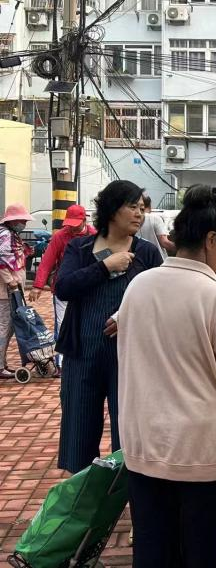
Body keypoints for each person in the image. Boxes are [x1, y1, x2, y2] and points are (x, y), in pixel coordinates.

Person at [117, 185, 216, 568]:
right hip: (198, 448)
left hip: (144, 442)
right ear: (211, 239)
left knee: (152, 547)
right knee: (200, 550)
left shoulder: (138, 287)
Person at [54, 181, 163, 474]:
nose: (140, 213)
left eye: (142, 208)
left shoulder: (148, 253)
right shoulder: (81, 248)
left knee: (127, 431)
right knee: (79, 428)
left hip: (128, 357)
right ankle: (82, 503)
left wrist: (128, 316)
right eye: (133, 206)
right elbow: (63, 288)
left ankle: (127, 496)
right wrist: (105, 266)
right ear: (112, 209)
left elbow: (159, 301)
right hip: (82, 352)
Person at [30, 204, 96, 367]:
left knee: (88, 324)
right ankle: (62, 363)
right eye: (69, 225)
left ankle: (87, 359)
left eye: (75, 224)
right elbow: (47, 261)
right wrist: (37, 286)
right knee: (63, 324)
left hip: (89, 288)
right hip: (64, 287)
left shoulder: (95, 235)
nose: (72, 229)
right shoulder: (60, 236)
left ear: (84, 220)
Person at [0, 204, 33, 379]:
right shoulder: (5, 236)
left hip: (11, 290)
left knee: (10, 327)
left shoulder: (11, 235)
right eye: (22, 220)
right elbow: (2, 261)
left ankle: (2, 363)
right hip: (6, 291)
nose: (24, 224)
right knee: (4, 327)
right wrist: (11, 282)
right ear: (13, 221)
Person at [137, 195, 175, 260]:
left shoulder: (130, 220)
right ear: (149, 206)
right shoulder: (155, 218)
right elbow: (164, 242)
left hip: (138, 261)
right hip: (157, 260)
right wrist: (182, 249)